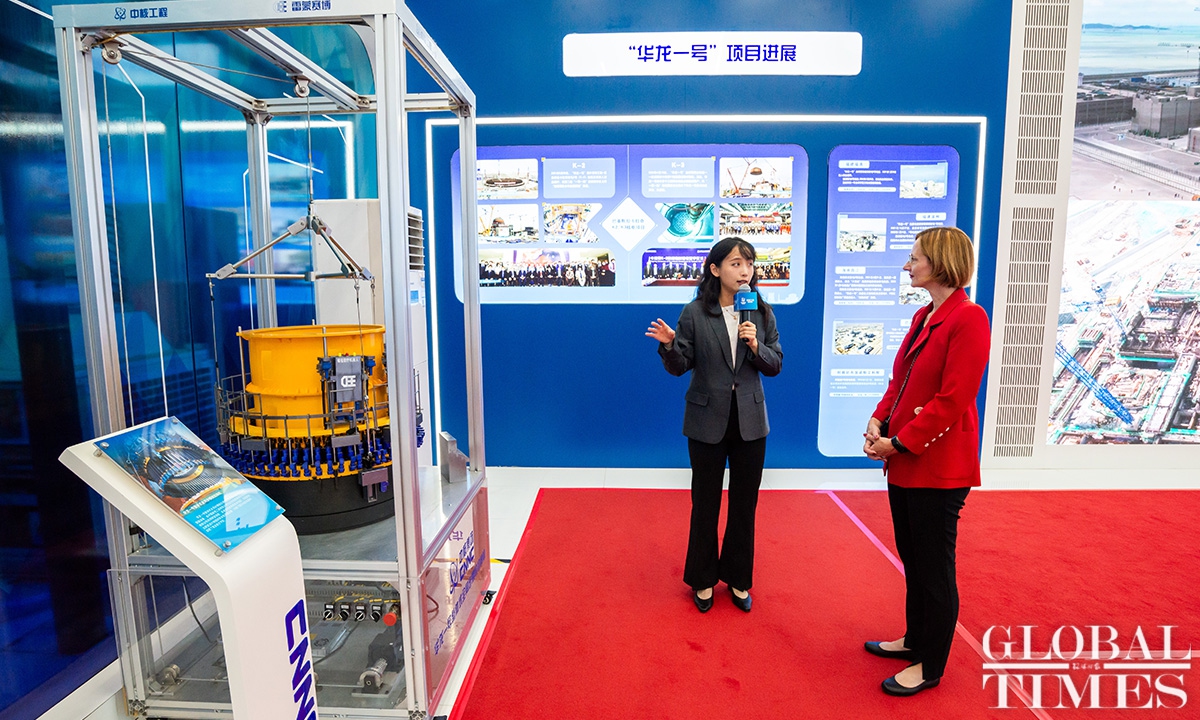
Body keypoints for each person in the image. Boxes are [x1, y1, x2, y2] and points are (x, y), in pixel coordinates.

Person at [861, 226, 991, 696]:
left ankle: (930, 663)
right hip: (907, 460)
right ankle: (915, 639)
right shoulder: (924, 316)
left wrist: (898, 443)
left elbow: (953, 399)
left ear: (940, 263)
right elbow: (900, 381)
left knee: (934, 568)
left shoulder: (969, 318)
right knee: (913, 559)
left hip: (938, 466)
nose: (907, 265)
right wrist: (878, 420)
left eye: (914, 258)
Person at [645, 236, 783, 613]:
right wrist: (670, 345)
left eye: (749, 264)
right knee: (705, 503)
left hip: (750, 421)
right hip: (707, 419)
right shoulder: (695, 313)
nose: (744, 271)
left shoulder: (762, 313)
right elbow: (680, 366)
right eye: (736, 263)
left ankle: (738, 577)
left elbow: (775, 364)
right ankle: (702, 578)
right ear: (715, 269)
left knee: (744, 505)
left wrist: (755, 346)